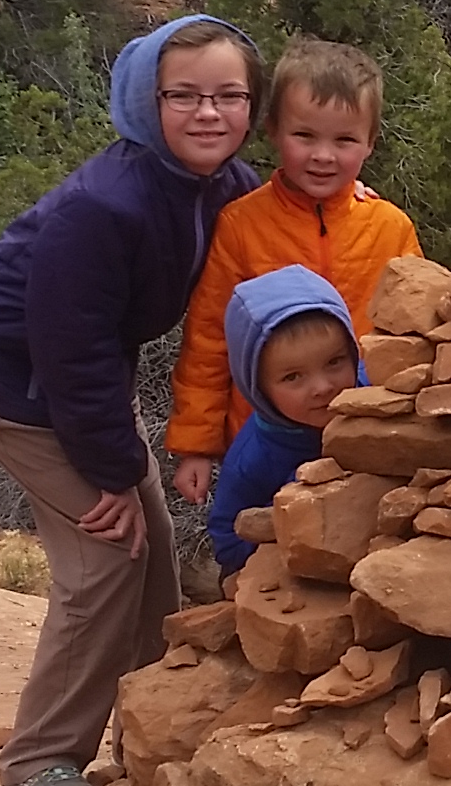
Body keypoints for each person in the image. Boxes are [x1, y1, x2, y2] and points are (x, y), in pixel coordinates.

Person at [0, 14, 263, 786]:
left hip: (80, 380)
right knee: (107, 554)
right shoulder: (104, 207)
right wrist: (107, 473)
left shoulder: (224, 185)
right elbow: (66, 350)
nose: (208, 113)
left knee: (151, 556)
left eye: (229, 95)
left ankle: (154, 728)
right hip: (13, 380)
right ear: (146, 103)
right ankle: (39, 763)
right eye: (183, 96)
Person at [165, 38, 420, 507]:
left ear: (370, 143)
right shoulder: (243, 225)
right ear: (274, 131)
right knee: (260, 550)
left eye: (344, 140)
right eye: (305, 136)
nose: (323, 155)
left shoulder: (390, 227)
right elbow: (208, 340)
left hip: (364, 436)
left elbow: (417, 335)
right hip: (266, 441)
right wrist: (195, 445)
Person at [201, 266, 362, 581]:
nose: (322, 387)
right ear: (257, 388)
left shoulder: (373, 395)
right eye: (293, 377)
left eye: (334, 362)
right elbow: (227, 538)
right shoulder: (253, 458)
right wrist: (288, 529)